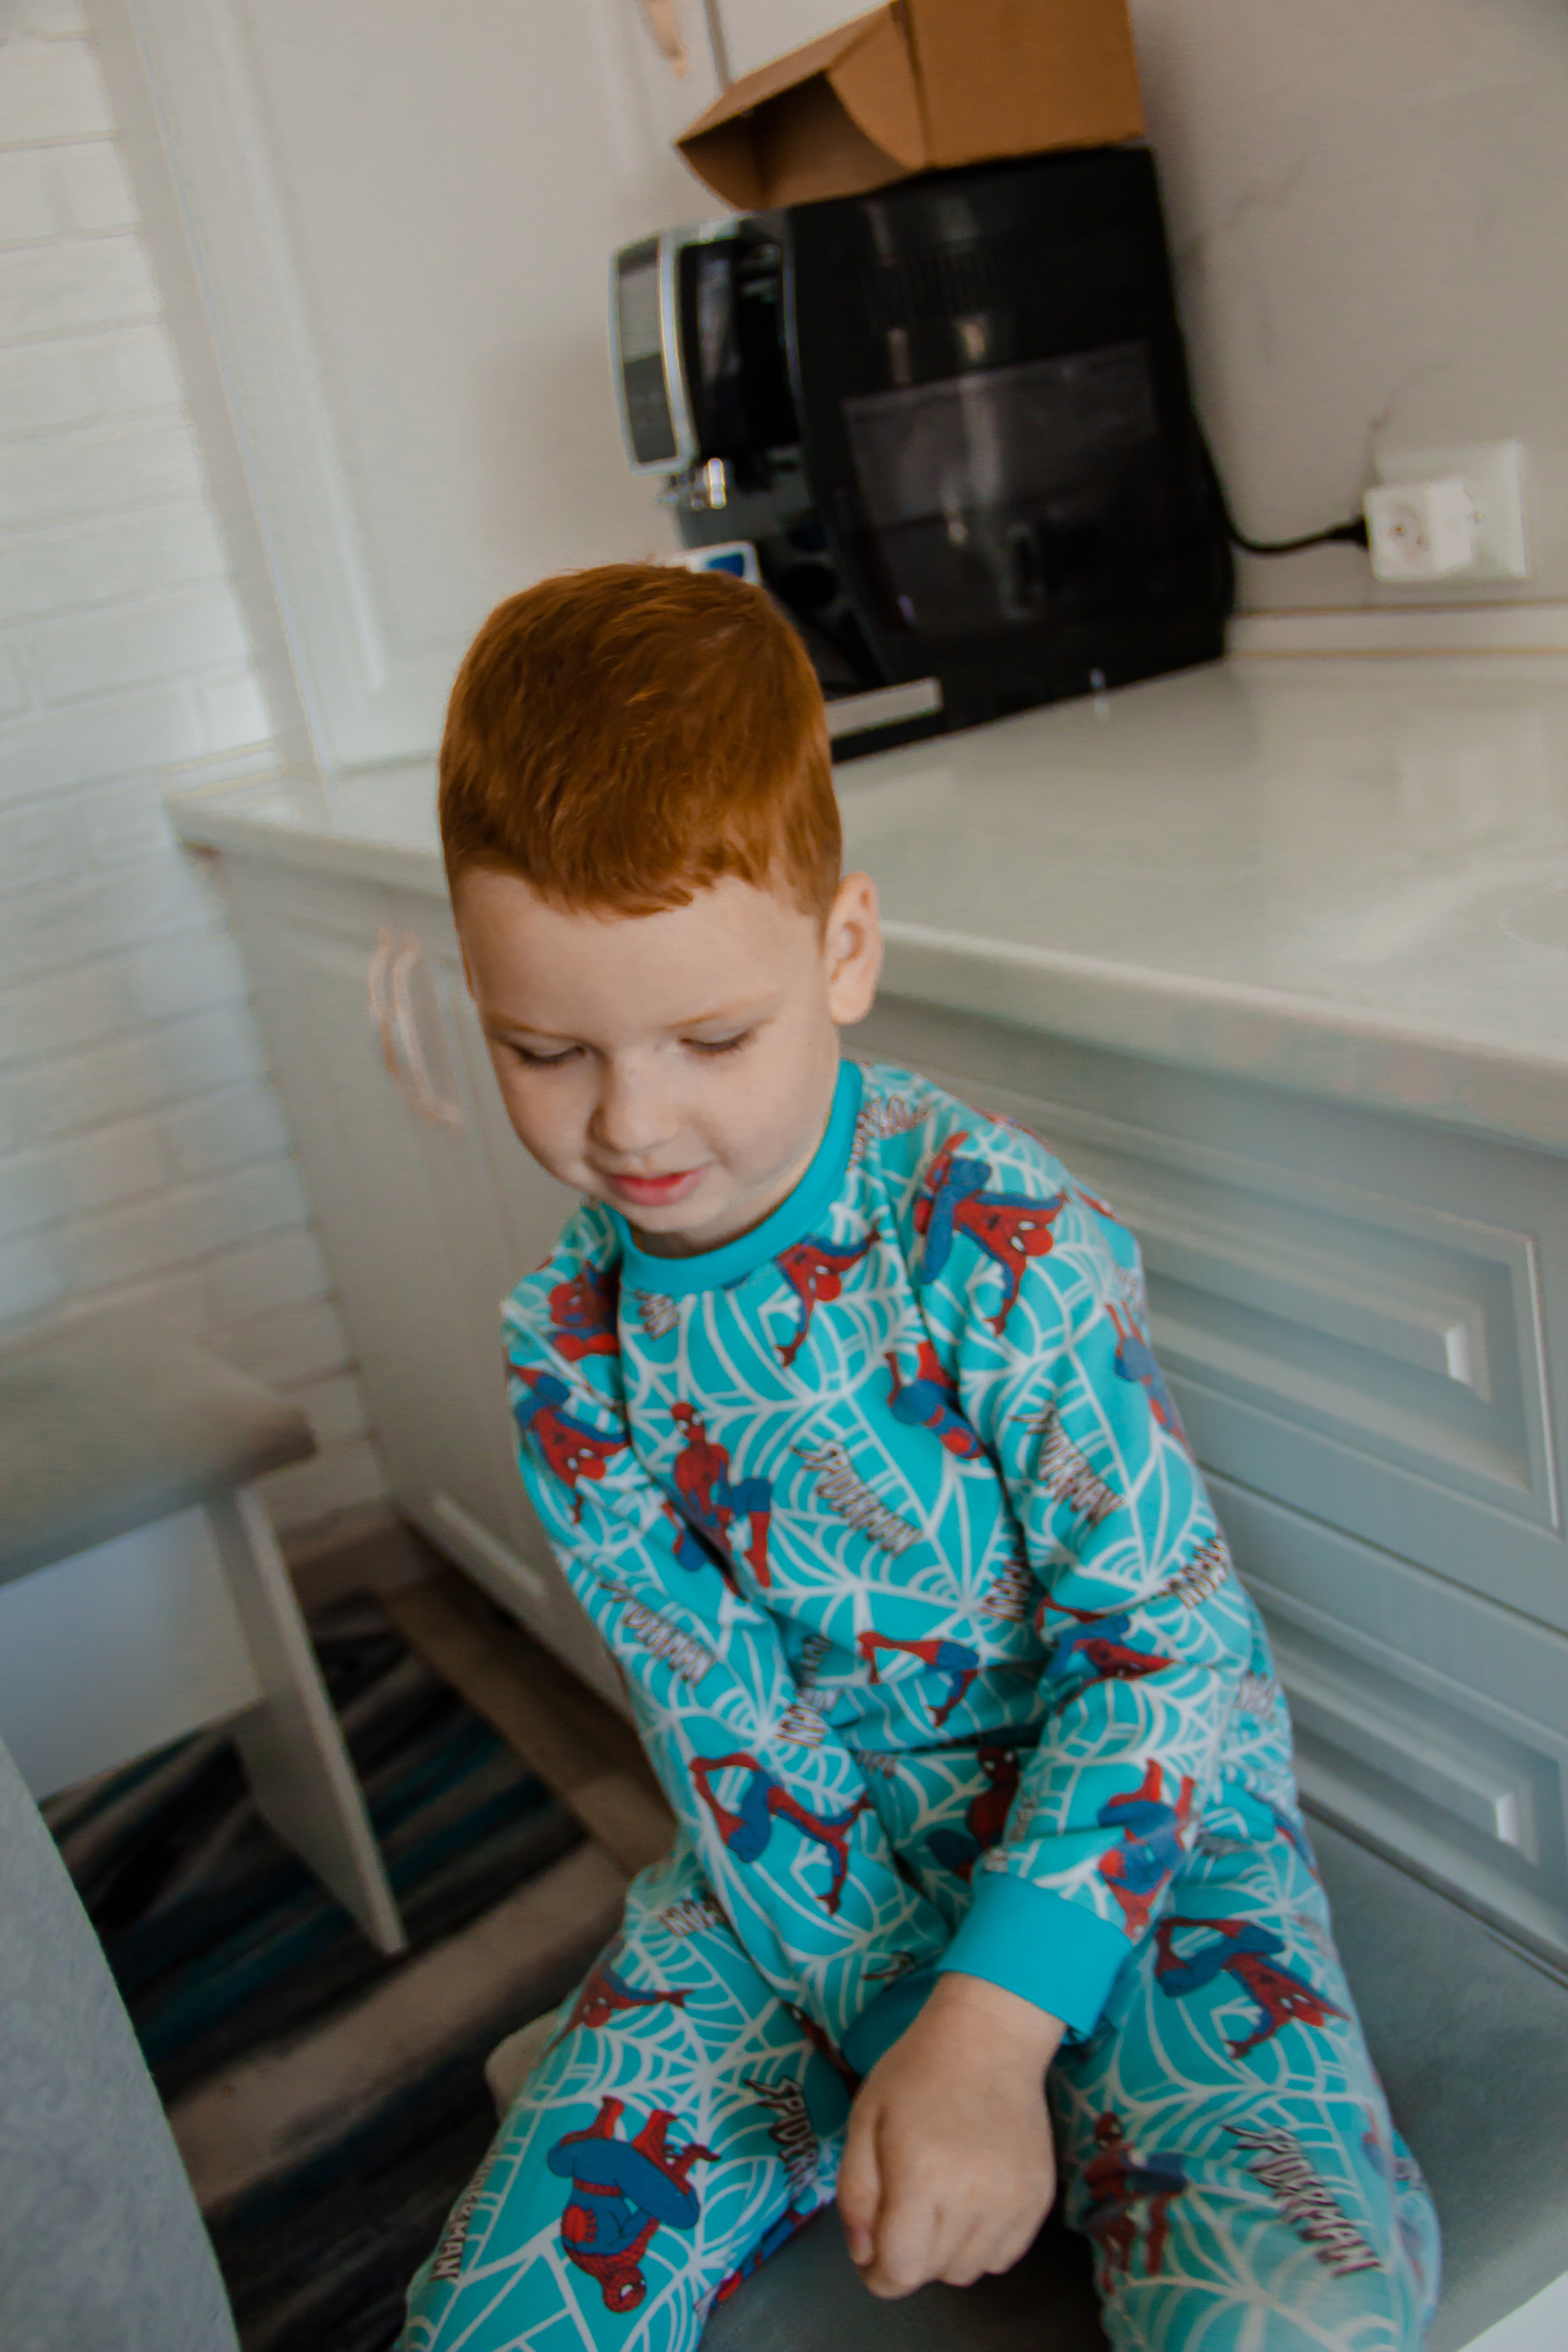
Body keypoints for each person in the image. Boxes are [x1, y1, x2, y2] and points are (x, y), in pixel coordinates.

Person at [399, 565, 1438, 2350]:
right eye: (544, 1050)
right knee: (498, 2313)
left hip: (1144, 1852)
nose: (632, 1121)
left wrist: (1000, 2022)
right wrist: (914, 2052)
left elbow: (1165, 1653)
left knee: (1290, 2316)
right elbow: (732, 1741)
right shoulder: (565, 1357)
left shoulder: (993, 1235)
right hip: (796, 1897)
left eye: (711, 1039)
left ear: (844, 952)